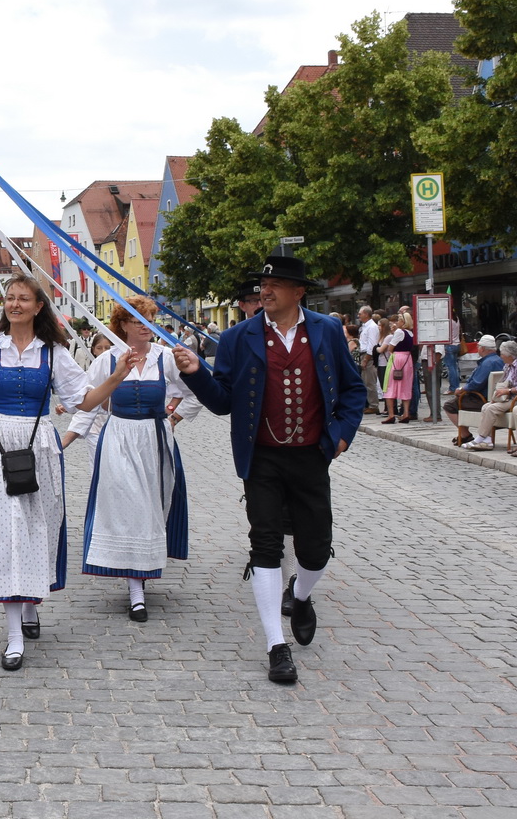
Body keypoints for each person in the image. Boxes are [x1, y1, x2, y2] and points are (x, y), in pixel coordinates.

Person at [172, 254, 366, 685]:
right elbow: (223, 399)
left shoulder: (327, 330)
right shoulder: (239, 337)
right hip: (260, 457)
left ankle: (299, 596)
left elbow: (353, 390)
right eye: (263, 283)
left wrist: (341, 436)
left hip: (312, 455)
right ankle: (276, 646)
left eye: (276, 283)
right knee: (265, 544)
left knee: (316, 548)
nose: (266, 289)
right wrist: (195, 374)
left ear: (298, 292)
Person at [0, 276, 120, 671]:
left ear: (38, 307)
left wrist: (116, 379)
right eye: (10, 298)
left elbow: (83, 400)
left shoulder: (53, 353)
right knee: (6, 533)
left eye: (23, 299)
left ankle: (30, 602)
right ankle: (14, 633)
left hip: (40, 448)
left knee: (38, 528)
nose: (15, 304)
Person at [65, 294, 199, 623]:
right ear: (123, 325)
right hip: (119, 439)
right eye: (138, 321)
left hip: (154, 441)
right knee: (129, 506)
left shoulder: (166, 358)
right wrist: (64, 441)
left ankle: (141, 575)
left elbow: (196, 392)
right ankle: (135, 589)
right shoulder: (107, 360)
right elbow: (88, 404)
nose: (145, 327)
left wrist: (173, 420)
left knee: (150, 507)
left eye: (149, 320)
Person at [466, 341, 517, 451]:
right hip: (509, 397)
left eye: (502, 354)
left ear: (509, 355)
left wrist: (508, 391)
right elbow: (504, 381)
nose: (500, 356)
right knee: (486, 406)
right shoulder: (508, 365)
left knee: (492, 408)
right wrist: (497, 397)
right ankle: (487, 440)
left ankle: (481, 437)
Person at [452, 336, 504, 446]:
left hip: (481, 398)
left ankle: (465, 435)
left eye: (479, 347)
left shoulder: (487, 363)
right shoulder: (499, 360)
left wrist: (461, 389)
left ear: (483, 349)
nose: (478, 349)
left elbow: (476, 384)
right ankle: (465, 435)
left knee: (450, 404)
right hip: (496, 397)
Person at [380, 314, 415, 424]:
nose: (397, 323)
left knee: (390, 385)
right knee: (406, 385)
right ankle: (406, 413)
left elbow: (391, 347)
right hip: (407, 359)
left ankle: (391, 414)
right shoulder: (411, 333)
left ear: (403, 322)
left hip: (397, 358)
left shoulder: (400, 332)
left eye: (399, 320)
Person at [356, 307, 380, 412]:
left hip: (368, 355)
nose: (358, 315)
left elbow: (372, 344)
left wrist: (366, 359)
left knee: (370, 381)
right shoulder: (365, 326)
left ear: (366, 314)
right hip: (363, 354)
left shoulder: (372, 327)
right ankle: (369, 403)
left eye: (360, 313)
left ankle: (373, 405)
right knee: (365, 381)